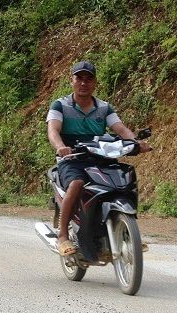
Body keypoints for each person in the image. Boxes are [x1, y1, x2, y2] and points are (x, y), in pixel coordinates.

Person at [46, 61, 151, 256]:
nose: (84, 83)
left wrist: (136, 142)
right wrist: (61, 147)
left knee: (123, 179)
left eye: (89, 79)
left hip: (100, 158)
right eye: (79, 78)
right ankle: (62, 236)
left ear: (95, 83)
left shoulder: (104, 108)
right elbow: (53, 130)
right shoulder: (60, 105)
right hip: (73, 160)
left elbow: (120, 129)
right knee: (77, 183)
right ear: (72, 81)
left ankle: (127, 232)